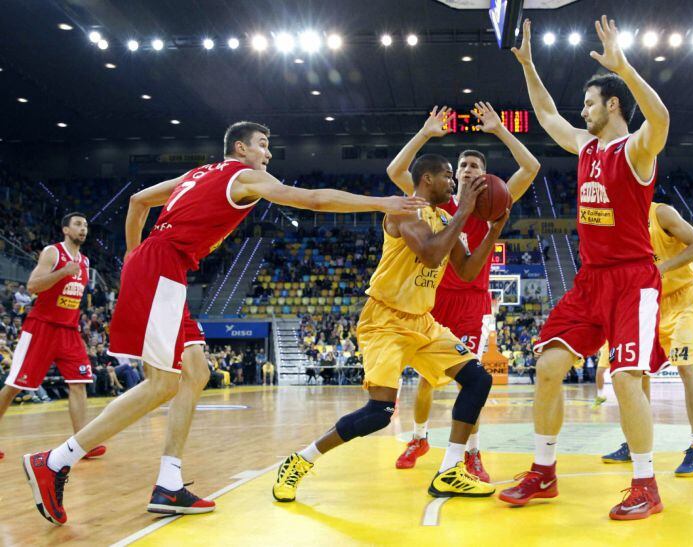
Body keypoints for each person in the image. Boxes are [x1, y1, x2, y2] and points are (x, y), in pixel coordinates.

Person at [23, 120, 428, 525]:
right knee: (163, 382)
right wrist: (381, 203)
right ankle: (56, 461)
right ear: (240, 147)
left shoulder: (196, 174)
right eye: (263, 145)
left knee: (196, 371)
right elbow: (314, 199)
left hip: (162, 267)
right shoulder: (245, 176)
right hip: (161, 268)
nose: (268, 154)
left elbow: (138, 202)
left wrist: (133, 256)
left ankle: (169, 482)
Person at [500, 17, 671, 521]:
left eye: (591, 103)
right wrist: (529, 66)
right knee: (548, 368)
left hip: (633, 280)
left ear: (612, 105)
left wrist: (624, 67)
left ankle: (645, 484)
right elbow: (548, 113)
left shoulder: (635, 149)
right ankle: (544, 471)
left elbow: (659, 118)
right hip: (590, 280)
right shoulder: (586, 145)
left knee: (623, 380)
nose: (583, 111)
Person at [272, 154, 508, 503]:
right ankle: (300, 461)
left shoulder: (444, 217)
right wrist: (465, 210)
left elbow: (469, 271)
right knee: (379, 413)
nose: (453, 184)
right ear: (426, 179)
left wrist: (494, 229)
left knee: (478, 378)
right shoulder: (403, 211)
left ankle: (450, 470)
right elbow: (430, 254)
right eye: (447, 176)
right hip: (385, 321)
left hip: (422, 322)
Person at [386, 103, 539, 480]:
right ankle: (419, 437)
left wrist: (501, 130)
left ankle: (471, 452)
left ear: (486, 176)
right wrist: (424, 132)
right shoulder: (439, 199)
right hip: (435, 298)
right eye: (463, 166)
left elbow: (531, 168)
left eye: (475, 167)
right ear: (453, 174)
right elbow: (395, 172)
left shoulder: (494, 202)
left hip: (472, 298)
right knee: (423, 377)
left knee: (468, 379)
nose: (468, 170)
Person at [601, 203, 693, 476]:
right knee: (636, 371)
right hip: (650, 300)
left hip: (684, 298)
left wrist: (662, 268)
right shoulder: (616, 221)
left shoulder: (661, 213)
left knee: (686, 367)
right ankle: (635, 442)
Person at [1, 213, 107, 463]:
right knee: (15, 386)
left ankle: (82, 443)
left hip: (68, 331)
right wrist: (62, 273)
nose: (83, 229)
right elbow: (33, 286)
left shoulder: (85, 261)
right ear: (66, 230)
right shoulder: (52, 252)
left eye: (86, 225)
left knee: (79, 383)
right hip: (41, 329)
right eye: (78, 225)